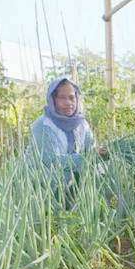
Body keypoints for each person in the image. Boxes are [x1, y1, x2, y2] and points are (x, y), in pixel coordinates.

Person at [30, 76, 104, 207]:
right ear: (53, 100)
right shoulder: (43, 126)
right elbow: (52, 162)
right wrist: (88, 157)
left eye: (71, 97)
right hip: (44, 187)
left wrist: (101, 155)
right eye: (62, 98)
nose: (68, 102)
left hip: (71, 183)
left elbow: (90, 147)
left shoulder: (81, 123)